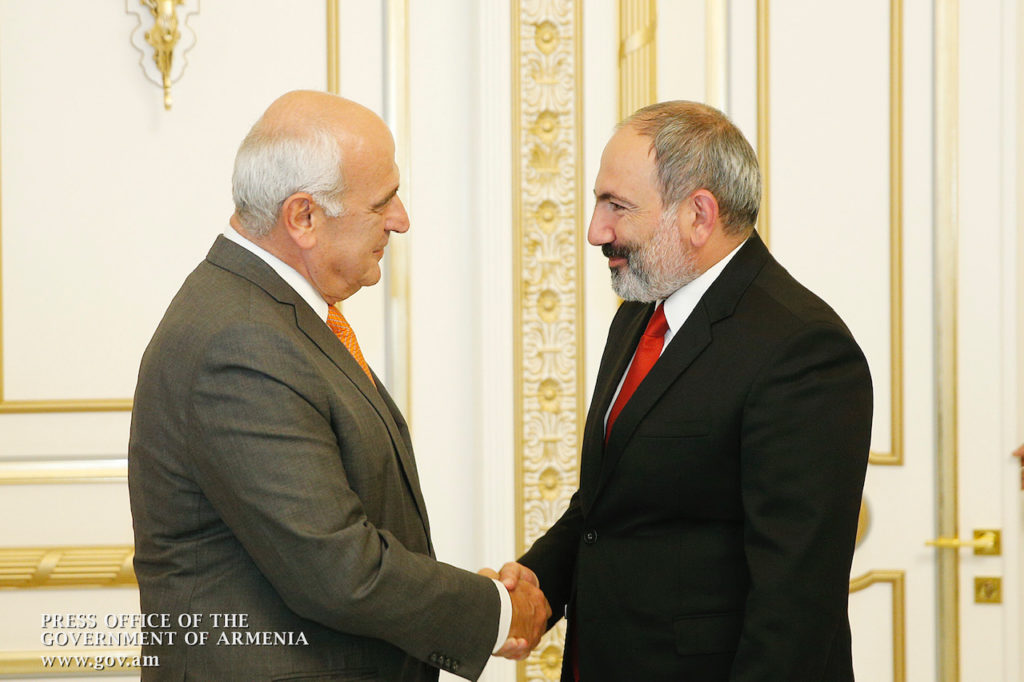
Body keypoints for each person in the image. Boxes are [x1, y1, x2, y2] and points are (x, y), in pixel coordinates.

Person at [128, 90, 549, 681]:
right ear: (303, 217)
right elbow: (337, 569)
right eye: (382, 202)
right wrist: (496, 613)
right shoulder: (241, 341)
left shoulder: (265, 314)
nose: (401, 219)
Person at [495, 101, 873, 680]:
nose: (596, 231)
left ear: (699, 215)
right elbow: (611, 503)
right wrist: (534, 586)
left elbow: (795, 606)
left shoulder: (803, 349)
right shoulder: (639, 311)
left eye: (616, 206)